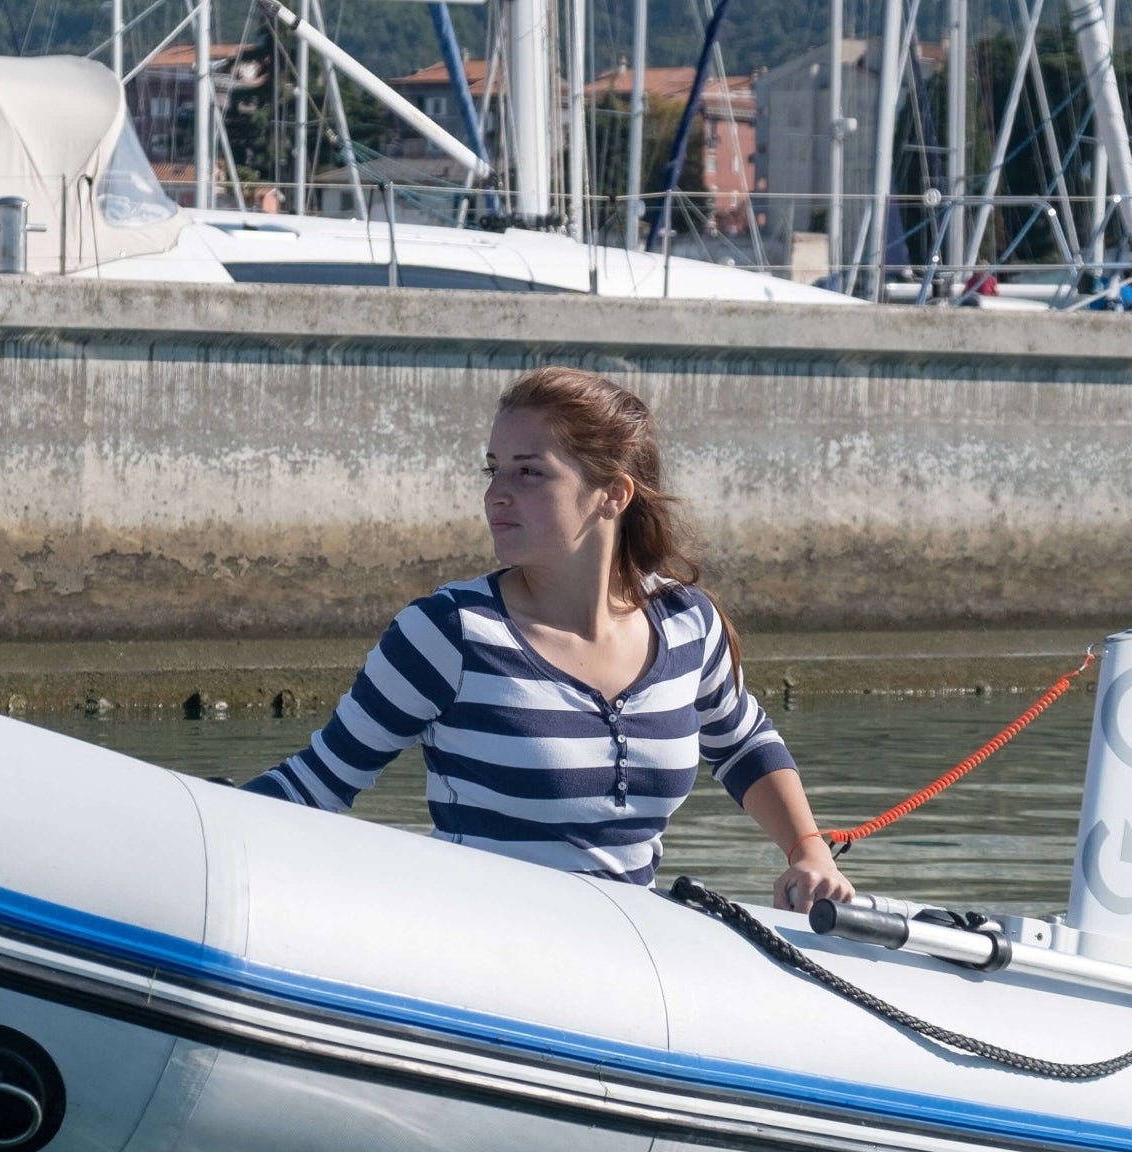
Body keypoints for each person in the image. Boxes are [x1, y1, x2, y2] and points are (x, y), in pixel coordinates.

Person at [249, 366, 856, 910]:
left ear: (613, 494)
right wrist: (188, 818)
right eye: (494, 471)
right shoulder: (449, 633)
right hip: (487, 966)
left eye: (529, 473)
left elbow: (743, 742)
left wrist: (809, 851)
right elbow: (316, 783)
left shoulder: (686, 623)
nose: (496, 495)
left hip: (639, 961)